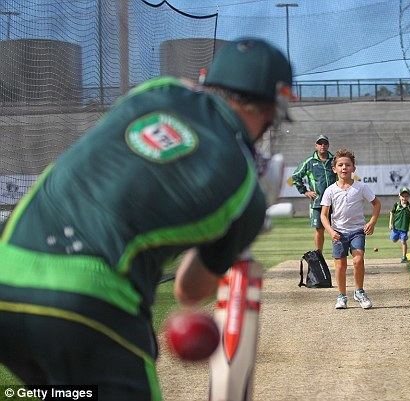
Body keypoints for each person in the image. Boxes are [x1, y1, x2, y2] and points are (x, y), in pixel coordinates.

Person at [0, 38, 293, 400]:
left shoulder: (157, 91)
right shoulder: (245, 194)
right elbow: (189, 291)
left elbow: (184, 91)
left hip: (6, 273)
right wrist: (249, 217)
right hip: (91, 305)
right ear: (272, 109)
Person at [320, 148, 381, 310]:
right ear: (334, 169)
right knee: (340, 265)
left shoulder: (361, 187)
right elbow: (324, 215)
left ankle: (359, 292)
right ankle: (341, 296)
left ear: (354, 168)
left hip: (357, 231)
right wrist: (331, 231)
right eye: (340, 165)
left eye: (348, 165)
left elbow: (376, 204)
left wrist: (372, 222)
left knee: (358, 259)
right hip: (338, 233)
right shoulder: (330, 190)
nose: (344, 168)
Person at [291, 134, 337, 252]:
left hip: (335, 201)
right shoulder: (310, 162)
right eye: (320, 143)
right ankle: (319, 255)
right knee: (319, 229)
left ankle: (338, 254)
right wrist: (305, 191)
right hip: (318, 202)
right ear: (316, 145)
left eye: (325, 143)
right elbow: (296, 176)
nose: (322, 145)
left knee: (337, 229)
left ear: (328, 145)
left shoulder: (335, 160)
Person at [388, 187, 410, 263]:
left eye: (406, 196)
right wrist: (390, 223)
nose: (404, 198)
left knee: (403, 241)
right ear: (399, 196)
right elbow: (391, 213)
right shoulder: (396, 205)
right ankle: (397, 237)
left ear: (409, 197)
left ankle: (404, 257)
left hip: (404, 228)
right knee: (394, 240)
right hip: (395, 228)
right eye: (403, 196)